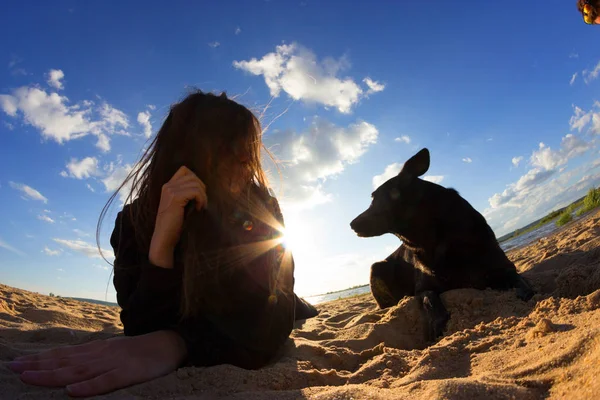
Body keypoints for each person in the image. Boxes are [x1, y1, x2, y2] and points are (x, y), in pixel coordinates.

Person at [8, 90, 318, 397]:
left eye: (249, 151)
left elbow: (274, 318)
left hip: (265, 301)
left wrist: (182, 342)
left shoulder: (261, 210)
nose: (248, 162)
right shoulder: (134, 220)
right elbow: (140, 327)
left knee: (300, 308)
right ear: (189, 152)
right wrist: (162, 244)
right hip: (218, 308)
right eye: (231, 148)